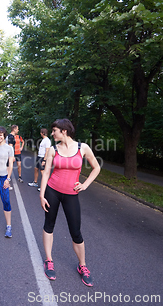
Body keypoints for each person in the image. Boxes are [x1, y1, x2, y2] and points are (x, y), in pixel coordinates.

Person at [39, 118, 100, 286]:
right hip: (52, 191)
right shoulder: (52, 150)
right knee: (49, 225)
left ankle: (83, 266)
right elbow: (45, 173)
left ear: (64, 131)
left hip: (71, 195)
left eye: (54, 131)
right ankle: (49, 260)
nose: (52, 133)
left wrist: (85, 185)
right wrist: (42, 195)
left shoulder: (83, 148)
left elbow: (97, 167)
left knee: (76, 232)